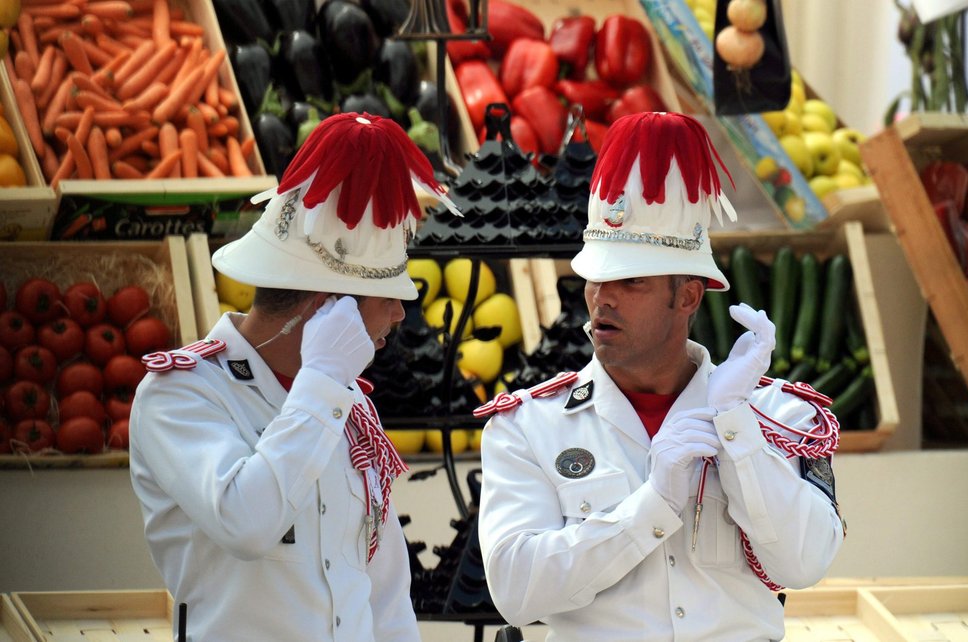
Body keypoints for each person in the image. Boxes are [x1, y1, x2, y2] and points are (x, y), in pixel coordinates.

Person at [476, 112, 846, 641]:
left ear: (688, 296)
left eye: (631, 281)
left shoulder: (783, 417)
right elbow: (515, 590)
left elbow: (803, 563)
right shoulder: (527, 426)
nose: (604, 297)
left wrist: (737, 430)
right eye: (596, 277)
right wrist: (650, 506)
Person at [129, 112, 458, 641]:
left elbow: (386, 595)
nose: (399, 316)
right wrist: (324, 377)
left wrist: (328, 383)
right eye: (387, 297)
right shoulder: (180, 393)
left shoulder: (348, 406)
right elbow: (246, 521)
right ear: (330, 309)